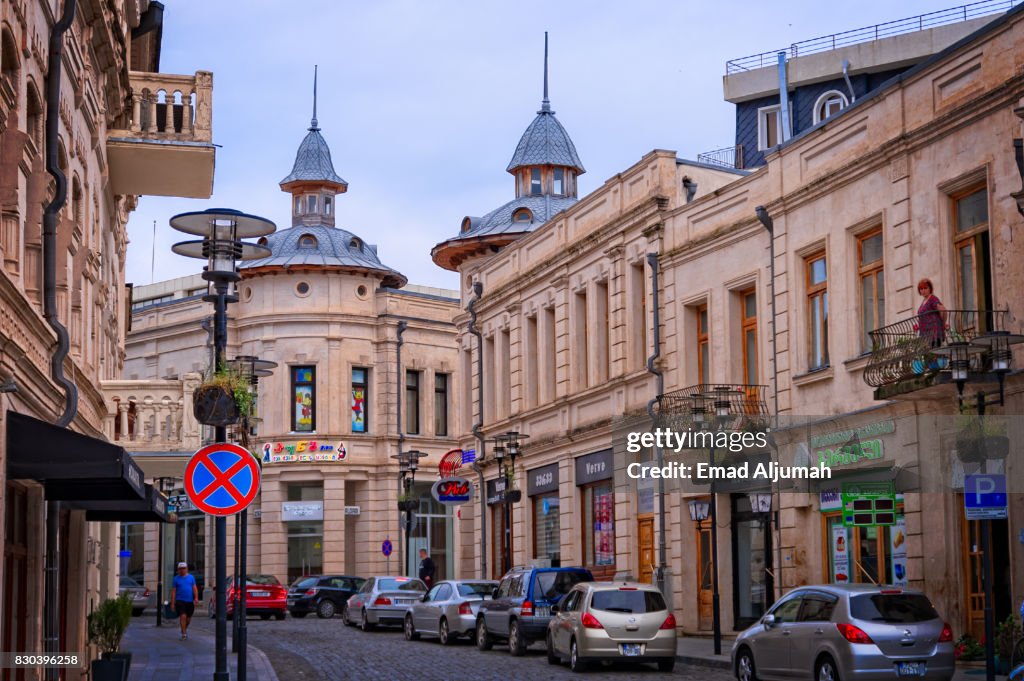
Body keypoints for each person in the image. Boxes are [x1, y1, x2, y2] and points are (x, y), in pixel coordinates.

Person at [170, 562, 199, 641]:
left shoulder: (191, 577)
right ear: (178, 570)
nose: (182, 570)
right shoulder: (176, 579)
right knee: (183, 616)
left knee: (188, 619)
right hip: (180, 600)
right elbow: (173, 591)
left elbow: (194, 588)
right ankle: (184, 634)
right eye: (180, 569)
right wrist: (172, 603)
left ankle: (183, 629)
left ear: (186, 569)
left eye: (183, 568)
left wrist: (196, 597)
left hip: (189, 601)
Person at [916, 278, 947, 347]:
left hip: (934, 331)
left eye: (925, 288)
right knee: (930, 354)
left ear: (930, 289)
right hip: (926, 333)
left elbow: (943, 310)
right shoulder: (924, 301)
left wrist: (943, 323)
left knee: (935, 352)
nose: (923, 291)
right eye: (921, 289)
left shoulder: (933, 299)